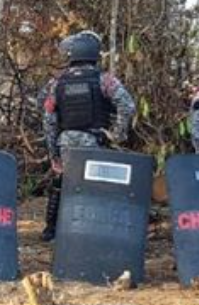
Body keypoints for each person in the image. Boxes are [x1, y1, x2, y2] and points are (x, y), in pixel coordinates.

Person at [39, 31, 136, 241]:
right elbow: (127, 105)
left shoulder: (57, 83)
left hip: (65, 141)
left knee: (60, 184)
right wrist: (117, 135)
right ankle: (90, 232)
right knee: (95, 187)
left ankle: (51, 230)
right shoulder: (105, 80)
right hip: (94, 141)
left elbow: (48, 118)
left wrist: (52, 152)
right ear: (94, 55)